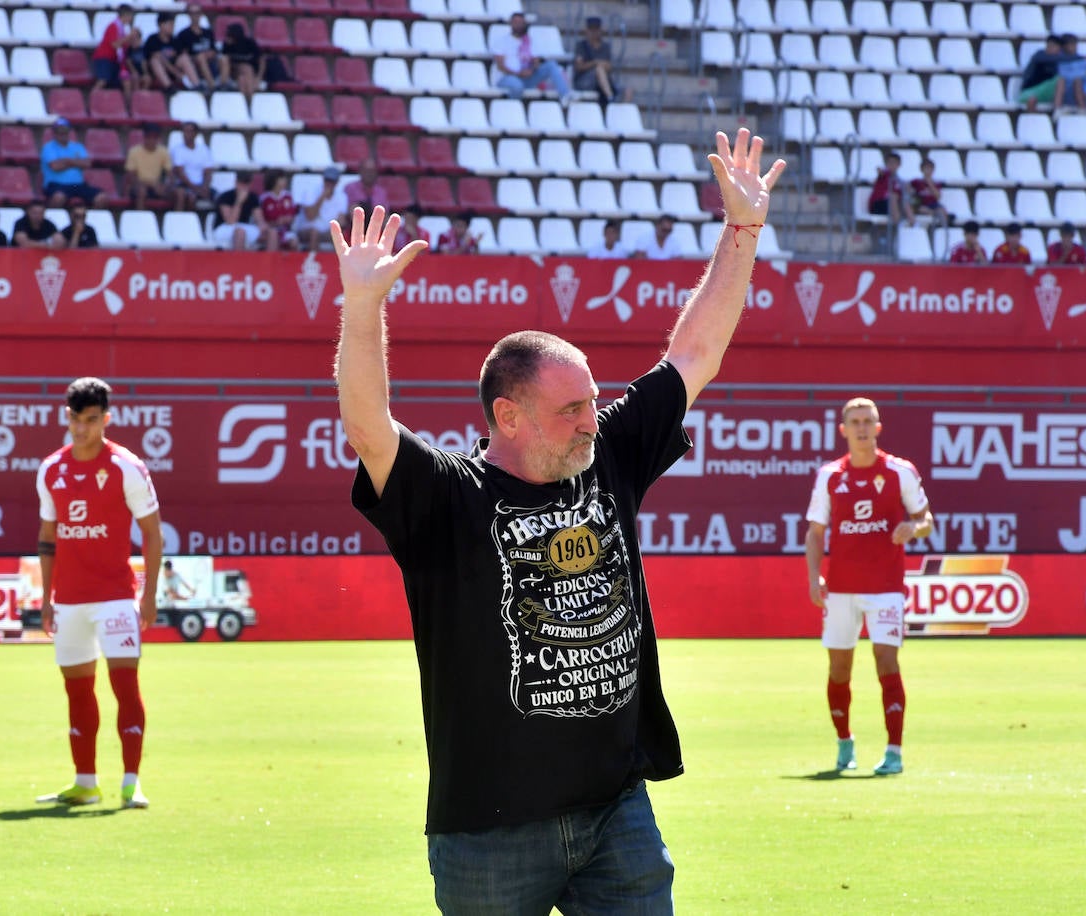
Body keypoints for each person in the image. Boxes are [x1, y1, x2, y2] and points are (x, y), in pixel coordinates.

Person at [333, 127, 786, 911]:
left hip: (617, 812)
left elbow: (696, 350)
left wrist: (742, 230)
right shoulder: (448, 498)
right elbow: (371, 428)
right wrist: (363, 304)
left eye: (592, 400)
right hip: (489, 832)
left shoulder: (605, 453)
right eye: (570, 407)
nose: (590, 419)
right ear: (508, 416)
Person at [34, 377, 162, 809]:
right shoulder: (51, 469)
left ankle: (131, 782)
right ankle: (85, 782)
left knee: (125, 685)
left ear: (106, 419)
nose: (82, 429)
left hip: (115, 597)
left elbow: (152, 532)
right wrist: (47, 597)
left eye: (91, 420)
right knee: (77, 691)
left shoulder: (127, 466)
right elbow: (48, 536)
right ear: (66, 417)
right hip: (69, 600)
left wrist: (149, 595)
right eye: (75, 419)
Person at [805, 397, 933, 777]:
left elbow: (925, 517)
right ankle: (845, 743)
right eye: (855, 422)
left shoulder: (899, 472)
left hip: (886, 588)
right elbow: (815, 533)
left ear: (878, 428)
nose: (862, 428)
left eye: (868, 421)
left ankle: (894, 751)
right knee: (839, 667)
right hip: (841, 589)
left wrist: (915, 527)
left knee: (886, 661)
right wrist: (814, 577)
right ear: (844, 430)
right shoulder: (830, 475)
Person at [492, 11, 571, 104]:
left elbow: (536, 61)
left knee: (551, 65)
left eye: (521, 23)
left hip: (527, 77)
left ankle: (565, 96)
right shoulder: (502, 42)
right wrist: (519, 73)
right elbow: (501, 66)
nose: (518, 25)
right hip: (508, 77)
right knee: (517, 86)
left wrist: (531, 70)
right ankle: (513, 109)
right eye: (516, 22)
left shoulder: (530, 41)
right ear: (511, 24)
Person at [40, 117, 106, 209]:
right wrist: (76, 162)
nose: (63, 134)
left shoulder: (78, 146)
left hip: (78, 184)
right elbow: (55, 166)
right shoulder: (48, 147)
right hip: (56, 184)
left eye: (65, 131)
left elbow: (87, 164)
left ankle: (88, 221)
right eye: (60, 131)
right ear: (54, 133)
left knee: (101, 197)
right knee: (58, 198)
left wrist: (67, 161)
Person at [221, 21, 289, 101]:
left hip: (249, 74)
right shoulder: (226, 45)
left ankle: (247, 103)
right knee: (246, 68)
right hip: (234, 71)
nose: (227, 37)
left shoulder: (250, 43)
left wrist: (258, 78)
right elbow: (224, 61)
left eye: (230, 35)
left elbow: (261, 61)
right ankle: (250, 102)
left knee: (242, 79)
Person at [572, 16, 628, 107]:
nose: (594, 32)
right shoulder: (581, 46)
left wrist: (601, 65)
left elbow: (609, 67)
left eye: (596, 29)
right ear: (587, 30)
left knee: (628, 91)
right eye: (591, 29)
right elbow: (579, 67)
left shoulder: (605, 47)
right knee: (599, 69)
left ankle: (618, 115)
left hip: (603, 81)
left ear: (600, 30)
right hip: (584, 81)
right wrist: (595, 63)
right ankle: (610, 98)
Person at [291, 166, 348, 251]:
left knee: (339, 235)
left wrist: (333, 232)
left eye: (332, 181)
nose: (329, 183)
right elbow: (310, 216)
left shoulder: (342, 197)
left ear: (337, 182)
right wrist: (322, 197)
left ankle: (335, 263)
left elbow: (341, 220)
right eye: (327, 180)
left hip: (328, 231)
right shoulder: (310, 192)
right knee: (315, 233)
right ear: (323, 179)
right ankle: (311, 260)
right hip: (306, 229)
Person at [124, 122, 174, 210]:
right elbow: (131, 177)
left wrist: (165, 187)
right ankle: (140, 220)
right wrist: (151, 184)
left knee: (179, 194)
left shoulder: (163, 151)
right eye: (149, 137)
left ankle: (177, 221)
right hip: (138, 186)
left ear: (158, 138)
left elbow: (170, 175)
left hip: (156, 187)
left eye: (154, 137)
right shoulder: (134, 151)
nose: (151, 140)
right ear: (144, 137)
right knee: (142, 191)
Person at [142, 11, 196, 92]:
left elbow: (180, 55)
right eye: (170, 24)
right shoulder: (152, 40)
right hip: (158, 73)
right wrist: (175, 73)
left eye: (173, 24)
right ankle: (169, 87)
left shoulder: (175, 40)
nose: (173, 27)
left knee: (184, 58)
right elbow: (154, 58)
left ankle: (195, 84)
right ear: (161, 25)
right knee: (155, 61)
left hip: (174, 70)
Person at [210, 170, 263, 249]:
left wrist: (263, 227)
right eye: (241, 183)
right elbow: (231, 221)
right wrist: (239, 202)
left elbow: (259, 220)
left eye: (246, 183)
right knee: (240, 232)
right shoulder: (225, 197)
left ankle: (270, 261)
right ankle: (239, 260)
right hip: (224, 228)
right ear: (236, 183)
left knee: (272, 233)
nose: (243, 186)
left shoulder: (253, 197)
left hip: (245, 226)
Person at [91, 3, 137, 95]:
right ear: (126, 15)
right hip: (104, 58)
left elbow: (123, 45)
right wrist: (129, 36)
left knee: (125, 81)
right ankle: (91, 101)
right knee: (103, 80)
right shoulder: (113, 26)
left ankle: (127, 107)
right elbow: (115, 44)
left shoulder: (121, 28)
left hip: (114, 60)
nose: (131, 19)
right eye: (131, 16)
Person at [168, 121, 213, 211]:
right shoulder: (177, 150)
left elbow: (208, 172)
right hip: (183, 185)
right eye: (184, 131)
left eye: (189, 131)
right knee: (187, 196)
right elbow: (180, 173)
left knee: (220, 198)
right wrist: (195, 189)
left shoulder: (204, 149)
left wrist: (204, 187)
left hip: (200, 185)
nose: (186, 134)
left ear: (196, 134)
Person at [1017, 35, 1067, 112]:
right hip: (1029, 91)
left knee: (1062, 80)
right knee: (1032, 100)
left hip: (1046, 91)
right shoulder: (1039, 55)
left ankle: (1057, 111)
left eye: (1053, 46)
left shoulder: (1059, 62)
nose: (1050, 48)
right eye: (1049, 45)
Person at [175, 5, 218, 91]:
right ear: (189, 15)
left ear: (201, 14)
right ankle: (210, 86)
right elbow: (182, 54)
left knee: (221, 58)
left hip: (209, 62)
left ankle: (223, 84)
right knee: (200, 57)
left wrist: (208, 54)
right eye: (192, 13)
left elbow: (214, 50)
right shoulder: (183, 34)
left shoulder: (208, 32)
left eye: (197, 13)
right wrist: (197, 57)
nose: (195, 16)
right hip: (193, 65)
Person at [867, 150, 914, 227]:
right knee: (893, 197)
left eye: (894, 163)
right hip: (878, 205)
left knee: (905, 201)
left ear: (899, 165)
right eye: (890, 163)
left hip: (892, 206)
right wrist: (880, 172)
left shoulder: (899, 181)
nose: (892, 165)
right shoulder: (885, 175)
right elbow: (880, 173)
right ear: (886, 164)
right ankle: (897, 226)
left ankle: (914, 225)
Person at [259, 168, 297, 251]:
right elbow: (262, 219)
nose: (285, 180)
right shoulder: (264, 198)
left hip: (286, 230)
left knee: (293, 242)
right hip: (270, 230)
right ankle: (270, 263)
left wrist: (287, 219)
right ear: (274, 180)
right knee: (273, 235)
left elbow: (292, 215)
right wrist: (275, 223)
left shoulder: (288, 196)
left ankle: (294, 264)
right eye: (281, 178)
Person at [907, 157, 947, 226]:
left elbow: (938, 197)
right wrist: (911, 192)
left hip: (933, 204)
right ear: (921, 169)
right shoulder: (917, 182)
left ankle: (943, 229)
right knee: (918, 208)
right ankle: (932, 213)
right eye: (926, 168)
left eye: (930, 168)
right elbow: (907, 186)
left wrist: (930, 184)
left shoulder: (936, 183)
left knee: (943, 211)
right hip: (921, 204)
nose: (928, 171)